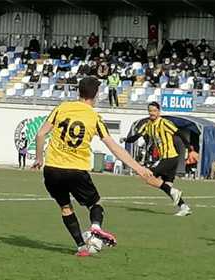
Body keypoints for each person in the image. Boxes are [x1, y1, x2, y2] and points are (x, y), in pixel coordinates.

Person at [32, 76, 153, 257]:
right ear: (96, 94)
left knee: (66, 208)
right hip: (76, 170)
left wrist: (39, 158)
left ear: (78, 91)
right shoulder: (94, 117)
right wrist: (139, 168)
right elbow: (113, 147)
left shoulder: (61, 108)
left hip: (52, 169)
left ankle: (82, 247)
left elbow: (41, 134)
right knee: (95, 204)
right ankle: (95, 227)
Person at [122, 102, 192, 216]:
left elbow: (179, 133)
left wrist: (190, 148)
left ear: (159, 112)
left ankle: (175, 192)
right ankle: (184, 207)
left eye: (154, 111)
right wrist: (126, 139)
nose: (152, 113)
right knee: (167, 186)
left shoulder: (164, 123)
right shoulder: (147, 125)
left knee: (148, 177)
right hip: (167, 159)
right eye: (150, 111)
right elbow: (136, 136)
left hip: (170, 158)